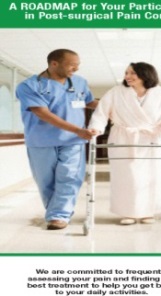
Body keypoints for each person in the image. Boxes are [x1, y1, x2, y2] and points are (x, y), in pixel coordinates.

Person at [88, 62, 161, 225]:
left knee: (152, 176)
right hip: (124, 138)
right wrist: (96, 128)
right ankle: (128, 212)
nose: (127, 76)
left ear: (146, 74)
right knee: (127, 177)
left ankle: (149, 212)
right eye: (126, 73)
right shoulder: (115, 92)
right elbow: (101, 113)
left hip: (152, 139)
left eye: (132, 73)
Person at [16, 49, 98, 230]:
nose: (76, 69)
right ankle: (56, 212)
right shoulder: (29, 86)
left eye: (78, 65)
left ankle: (58, 215)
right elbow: (42, 113)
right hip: (41, 140)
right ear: (54, 64)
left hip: (74, 141)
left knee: (70, 177)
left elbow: (90, 102)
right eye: (71, 65)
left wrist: (117, 105)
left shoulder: (79, 82)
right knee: (46, 181)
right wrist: (77, 129)